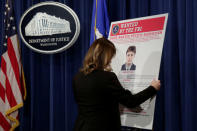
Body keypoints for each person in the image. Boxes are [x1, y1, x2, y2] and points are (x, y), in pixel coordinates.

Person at [72, 38, 160, 131]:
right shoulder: (107, 77)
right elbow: (131, 101)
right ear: (104, 56)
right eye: (110, 56)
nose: (110, 60)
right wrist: (152, 88)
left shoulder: (77, 77)